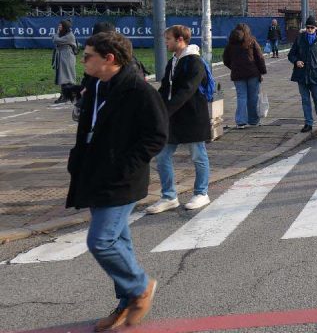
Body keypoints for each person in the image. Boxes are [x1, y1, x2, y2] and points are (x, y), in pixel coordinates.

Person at [68, 31, 166, 331]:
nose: (82, 61)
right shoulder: (98, 85)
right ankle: (126, 303)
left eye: (88, 56)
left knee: (101, 241)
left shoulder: (138, 90)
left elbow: (157, 135)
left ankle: (140, 287)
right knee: (119, 242)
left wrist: (125, 167)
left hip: (121, 179)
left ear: (109, 59)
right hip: (96, 174)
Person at [148, 25, 212, 214]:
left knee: (198, 155)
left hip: (193, 117)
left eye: (168, 39)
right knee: (162, 156)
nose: (165, 42)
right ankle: (169, 196)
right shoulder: (173, 61)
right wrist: (153, 105)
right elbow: (165, 89)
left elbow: (187, 91)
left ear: (180, 39)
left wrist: (165, 111)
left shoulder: (194, 62)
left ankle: (202, 193)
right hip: (174, 118)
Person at [288, 16, 317, 133]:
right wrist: (296, 61)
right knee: (305, 100)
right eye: (308, 27)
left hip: (315, 74)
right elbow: (291, 54)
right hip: (301, 75)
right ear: (305, 28)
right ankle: (308, 123)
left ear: (315, 28)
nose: (310, 30)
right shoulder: (299, 39)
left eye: (312, 27)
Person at [222, 23, 268, 129]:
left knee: (241, 97)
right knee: (253, 97)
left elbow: (225, 59)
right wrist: (262, 72)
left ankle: (240, 121)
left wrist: (233, 68)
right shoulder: (251, 41)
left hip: (237, 75)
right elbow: (259, 58)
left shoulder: (231, 43)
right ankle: (253, 121)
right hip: (253, 73)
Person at [52, 19, 78, 104]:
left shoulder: (69, 36)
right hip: (63, 56)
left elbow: (56, 40)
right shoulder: (64, 34)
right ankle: (65, 95)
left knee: (67, 77)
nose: (59, 27)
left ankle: (68, 95)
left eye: (61, 25)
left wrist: (56, 34)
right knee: (63, 76)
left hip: (67, 57)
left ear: (65, 27)